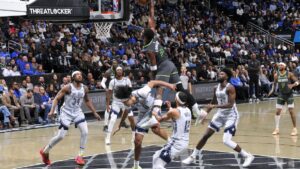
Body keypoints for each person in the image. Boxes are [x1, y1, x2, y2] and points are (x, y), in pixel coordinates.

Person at [142, 0, 206, 123]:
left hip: (163, 66)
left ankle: (156, 113)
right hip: (170, 64)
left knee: (160, 88)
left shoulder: (148, 48)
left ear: (145, 37)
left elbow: (153, 63)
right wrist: (151, 5)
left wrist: (154, 76)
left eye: (142, 34)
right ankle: (198, 111)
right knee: (181, 89)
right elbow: (152, 20)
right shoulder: (153, 35)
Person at [182, 68, 254, 168]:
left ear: (227, 77)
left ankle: (247, 155)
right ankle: (193, 156)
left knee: (226, 140)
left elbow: (230, 104)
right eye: (219, 74)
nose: (219, 75)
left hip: (231, 115)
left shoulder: (230, 88)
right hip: (220, 115)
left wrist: (214, 107)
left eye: (221, 74)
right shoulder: (216, 87)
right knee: (205, 136)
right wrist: (205, 114)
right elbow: (213, 102)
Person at [39, 71, 101, 166]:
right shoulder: (68, 87)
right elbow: (56, 99)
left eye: (80, 74)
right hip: (66, 112)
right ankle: (45, 151)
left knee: (85, 132)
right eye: (77, 74)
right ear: (73, 77)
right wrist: (51, 111)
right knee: (61, 136)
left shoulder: (84, 88)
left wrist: (94, 112)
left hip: (77, 112)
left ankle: (80, 156)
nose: (79, 76)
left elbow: (87, 100)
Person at [115, 80, 176, 169]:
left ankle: (171, 143)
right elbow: (126, 111)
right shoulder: (128, 101)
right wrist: (120, 124)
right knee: (137, 141)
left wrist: (169, 85)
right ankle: (136, 166)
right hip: (143, 114)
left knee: (155, 129)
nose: (125, 104)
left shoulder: (142, 92)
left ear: (130, 97)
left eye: (125, 102)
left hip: (154, 106)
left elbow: (153, 82)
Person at [152, 91, 191, 169]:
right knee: (156, 156)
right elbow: (177, 116)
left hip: (176, 143)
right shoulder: (188, 110)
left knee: (158, 165)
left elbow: (159, 119)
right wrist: (170, 107)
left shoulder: (174, 111)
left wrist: (153, 112)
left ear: (176, 99)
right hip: (183, 142)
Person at [268, 62, 299, 136]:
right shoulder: (276, 75)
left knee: (291, 111)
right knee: (278, 111)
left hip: (289, 95)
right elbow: (274, 84)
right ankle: (277, 128)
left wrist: (293, 85)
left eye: (281, 65)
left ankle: (294, 128)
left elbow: (298, 81)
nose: (279, 66)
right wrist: (272, 90)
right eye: (279, 65)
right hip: (281, 95)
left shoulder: (289, 74)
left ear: (284, 66)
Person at [105, 66, 132, 145]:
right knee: (113, 119)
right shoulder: (112, 82)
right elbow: (109, 93)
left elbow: (130, 91)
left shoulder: (127, 80)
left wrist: (130, 101)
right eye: (118, 70)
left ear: (122, 71)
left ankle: (134, 135)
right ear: (116, 72)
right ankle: (108, 137)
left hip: (125, 102)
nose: (119, 71)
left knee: (131, 118)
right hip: (116, 103)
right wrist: (107, 105)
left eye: (120, 70)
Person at [101, 59, 128, 132]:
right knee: (108, 108)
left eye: (116, 63)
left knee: (124, 107)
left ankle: (122, 122)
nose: (115, 64)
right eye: (113, 63)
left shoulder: (119, 71)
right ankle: (105, 125)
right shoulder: (108, 72)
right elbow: (102, 82)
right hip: (110, 92)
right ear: (111, 64)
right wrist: (105, 88)